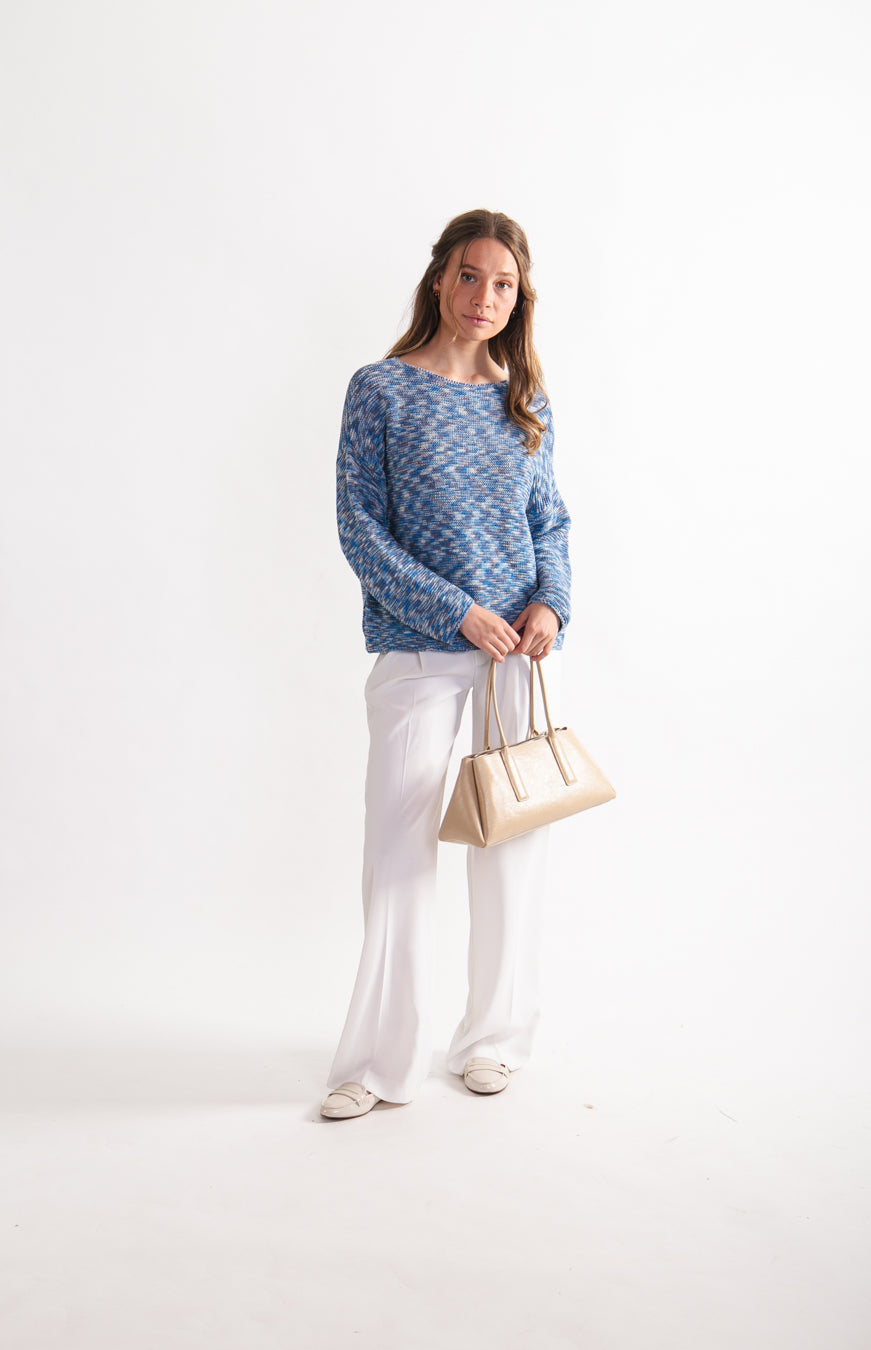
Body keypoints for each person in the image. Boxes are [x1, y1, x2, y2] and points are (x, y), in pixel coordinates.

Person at [320, 209, 572, 1120]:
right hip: (423, 647)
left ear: (519, 297)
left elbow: (550, 522)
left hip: (516, 658)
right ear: (440, 279)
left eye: (504, 284)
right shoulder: (381, 390)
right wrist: (456, 611)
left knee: (512, 848)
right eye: (471, 276)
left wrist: (551, 603)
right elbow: (360, 528)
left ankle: (493, 1041)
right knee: (397, 850)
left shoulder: (525, 400)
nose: (485, 297)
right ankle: (377, 1063)